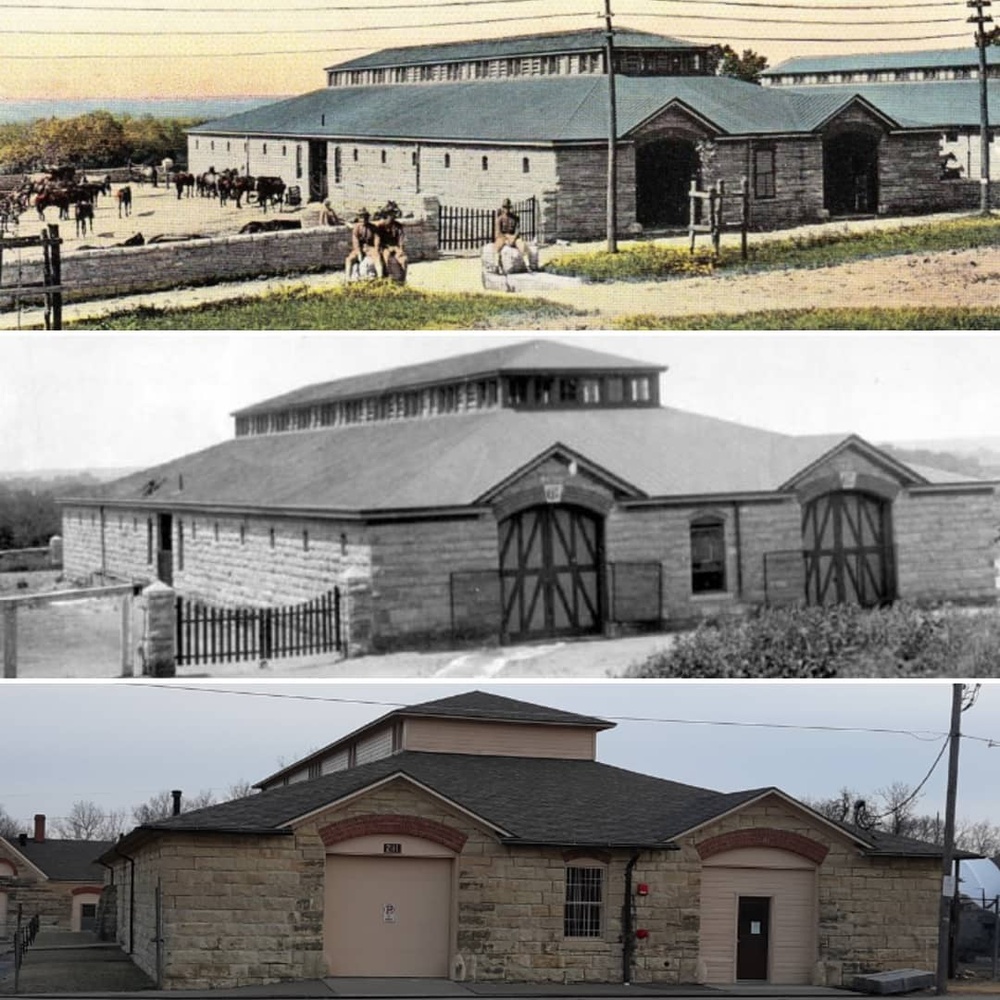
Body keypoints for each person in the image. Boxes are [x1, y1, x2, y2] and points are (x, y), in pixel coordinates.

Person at [493, 197, 531, 271]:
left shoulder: (515, 218)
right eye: (505, 207)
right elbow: (498, 232)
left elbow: (517, 229)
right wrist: (506, 238)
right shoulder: (499, 219)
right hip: (503, 237)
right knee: (496, 247)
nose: (506, 209)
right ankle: (496, 266)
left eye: (508, 207)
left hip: (513, 237)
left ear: (510, 208)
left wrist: (514, 237)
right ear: (502, 208)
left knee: (522, 245)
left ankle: (528, 265)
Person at [345, 208, 382, 278]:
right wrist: (359, 252)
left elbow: (377, 239)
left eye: (365, 217)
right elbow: (355, 241)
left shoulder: (373, 227)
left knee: (377, 257)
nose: (363, 219)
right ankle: (347, 278)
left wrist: (376, 249)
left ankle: (380, 276)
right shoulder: (356, 228)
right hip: (360, 248)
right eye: (361, 217)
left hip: (370, 247)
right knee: (349, 259)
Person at [376, 201, 407, 282]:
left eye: (393, 214)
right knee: (387, 255)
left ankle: (402, 281)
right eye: (390, 214)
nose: (392, 216)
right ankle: (389, 277)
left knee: (404, 259)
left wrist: (400, 249)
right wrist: (386, 247)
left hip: (395, 247)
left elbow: (401, 240)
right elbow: (378, 241)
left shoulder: (398, 226)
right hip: (385, 247)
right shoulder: (381, 226)